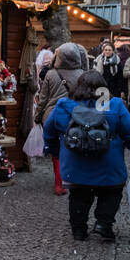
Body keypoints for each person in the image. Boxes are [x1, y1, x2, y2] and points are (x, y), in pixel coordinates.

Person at [43, 70, 130, 242]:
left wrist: (54, 151)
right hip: (109, 165)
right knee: (111, 192)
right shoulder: (115, 104)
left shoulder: (64, 104)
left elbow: (49, 130)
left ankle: (78, 229)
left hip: (75, 164)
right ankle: (103, 224)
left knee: (78, 194)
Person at [34, 42, 88, 196]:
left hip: (53, 116)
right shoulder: (82, 74)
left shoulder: (51, 74)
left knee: (56, 152)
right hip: (75, 115)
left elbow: (43, 99)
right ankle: (74, 178)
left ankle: (60, 184)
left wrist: (37, 117)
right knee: (73, 147)